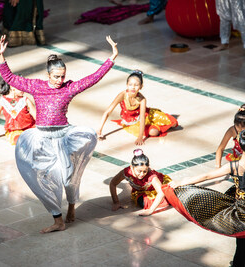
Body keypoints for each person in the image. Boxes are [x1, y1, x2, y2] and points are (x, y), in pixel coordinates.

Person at [0, 34, 118, 233]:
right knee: (43, 179)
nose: (60, 80)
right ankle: (57, 219)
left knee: (69, 178)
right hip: (41, 138)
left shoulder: (69, 88)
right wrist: (1, 57)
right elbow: (10, 78)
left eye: (63, 76)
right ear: (48, 75)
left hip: (64, 137)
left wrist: (111, 58)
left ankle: (71, 205)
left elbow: (92, 79)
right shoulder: (37, 86)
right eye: (56, 76)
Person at [167, 130, 245, 267]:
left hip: (240, 215)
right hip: (241, 214)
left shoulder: (234, 166)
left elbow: (207, 176)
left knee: (242, 243)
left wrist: (182, 183)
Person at [97, 70, 177, 145]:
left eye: (136, 85)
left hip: (146, 116)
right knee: (154, 132)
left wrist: (140, 137)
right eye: (130, 85)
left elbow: (142, 117)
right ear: (127, 85)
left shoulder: (142, 99)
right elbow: (107, 112)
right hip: (133, 123)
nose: (133, 87)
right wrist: (99, 130)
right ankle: (157, 127)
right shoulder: (122, 95)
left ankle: (158, 124)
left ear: (141, 87)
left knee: (173, 122)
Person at [110, 149, 171, 216]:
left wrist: (150, 210)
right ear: (131, 167)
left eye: (145, 171)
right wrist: (116, 202)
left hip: (161, 186)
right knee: (142, 202)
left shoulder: (151, 175)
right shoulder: (126, 172)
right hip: (142, 191)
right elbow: (113, 183)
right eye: (139, 171)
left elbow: (161, 192)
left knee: (168, 196)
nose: (142, 174)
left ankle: (170, 197)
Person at [0, 79, 36, 145]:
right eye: (21, 88)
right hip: (14, 131)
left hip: (30, 127)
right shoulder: (2, 101)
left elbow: (35, 115)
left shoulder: (25, 100)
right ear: (12, 88)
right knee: (19, 140)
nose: (24, 90)